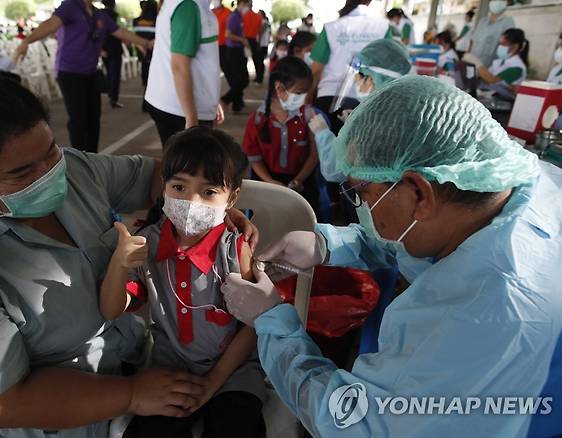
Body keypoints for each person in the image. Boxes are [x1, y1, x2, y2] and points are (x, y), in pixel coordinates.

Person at [0, 65, 258, 438]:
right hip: (57, 415)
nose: (50, 174)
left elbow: (161, 177)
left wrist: (212, 212)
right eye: (22, 173)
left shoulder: (76, 170)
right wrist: (132, 394)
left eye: (51, 151)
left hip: (138, 364)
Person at [221, 75, 562, 437]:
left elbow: (354, 422)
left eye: (362, 193)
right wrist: (329, 243)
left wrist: (273, 323)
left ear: (419, 192)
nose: (362, 206)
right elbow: (418, 239)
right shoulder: (517, 182)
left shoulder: (480, 318)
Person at [103, 127, 267, 437]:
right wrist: (118, 264)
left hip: (233, 373)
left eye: (208, 192)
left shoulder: (234, 250)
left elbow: (252, 326)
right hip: (170, 370)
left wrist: (213, 382)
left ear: (231, 198)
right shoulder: (146, 245)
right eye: (179, 187)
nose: (191, 201)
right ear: (163, 186)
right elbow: (112, 310)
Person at [13, 0, 152, 153]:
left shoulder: (100, 15)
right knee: (78, 119)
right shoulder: (70, 6)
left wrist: (145, 43)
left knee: (93, 118)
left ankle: (92, 156)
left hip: (91, 73)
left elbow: (121, 32)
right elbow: (51, 24)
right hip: (70, 72)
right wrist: (26, 41)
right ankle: (79, 157)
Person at [309, 38, 411, 184]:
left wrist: (323, 134)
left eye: (358, 77)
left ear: (371, 80)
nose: (355, 82)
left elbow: (335, 171)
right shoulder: (403, 107)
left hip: (377, 198)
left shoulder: (371, 121)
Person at [242, 57, 320, 215]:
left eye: (306, 93)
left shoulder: (309, 115)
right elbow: (253, 158)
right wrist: (270, 182)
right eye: (299, 93)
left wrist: (298, 180)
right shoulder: (257, 119)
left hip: (300, 183)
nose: (304, 98)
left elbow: (314, 155)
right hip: (267, 182)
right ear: (279, 88)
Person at [144, 0, 225, 147]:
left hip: (177, 104)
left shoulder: (194, 5)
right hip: (180, 110)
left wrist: (211, 100)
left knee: (183, 165)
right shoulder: (188, 6)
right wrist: (192, 119)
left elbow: (202, 62)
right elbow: (180, 66)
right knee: (191, 167)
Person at [310, 0, 389, 136]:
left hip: (329, 98)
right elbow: (388, 66)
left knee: (326, 148)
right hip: (368, 100)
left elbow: (316, 69)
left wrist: (307, 99)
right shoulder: (384, 28)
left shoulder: (331, 27)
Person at [465, 28, 528, 98]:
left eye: (503, 44)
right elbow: (486, 78)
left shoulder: (517, 67)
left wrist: (477, 63)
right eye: (500, 44)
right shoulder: (499, 61)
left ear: (515, 46)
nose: (500, 47)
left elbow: (491, 79)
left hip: (505, 100)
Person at [221, 0, 252, 113]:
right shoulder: (234, 16)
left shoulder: (239, 17)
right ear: (240, 4)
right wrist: (242, 40)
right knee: (241, 80)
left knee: (241, 80)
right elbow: (228, 35)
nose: (247, 8)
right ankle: (225, 100)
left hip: (238, 50)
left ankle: (236, 104)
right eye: (246, 5)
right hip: (233, 51)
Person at [469, 0, 515, 67]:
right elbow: (473, 41)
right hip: (473, 64)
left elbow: (508, 46)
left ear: (505, 2)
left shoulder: (508, 22)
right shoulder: (482, 21)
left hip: (490, 68)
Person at [101, 0, 124, 109]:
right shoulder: (116, 15)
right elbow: (121, 31)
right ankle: (113, 99)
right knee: (114, 74)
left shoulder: (98, 14)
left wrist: (100, 49)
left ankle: (110, 94)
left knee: (109, 72)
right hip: (115, 48)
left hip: (104, 48)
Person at [133, 0, 158, 89]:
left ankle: (145, 85)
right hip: (154, 49)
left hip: (141, 49)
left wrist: (140, 46)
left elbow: (135, 36)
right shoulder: (157, 20)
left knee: (144, 67)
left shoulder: (136, 21)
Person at [242, 2, 264, 85]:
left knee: (244, 60)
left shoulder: (242, 15)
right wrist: (259, 42)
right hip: (253, 40)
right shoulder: (258, 16)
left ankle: (245, 78)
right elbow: (260, 31)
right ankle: (259, 78)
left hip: (244, 40)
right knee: (257, 60)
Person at [212, 0, 231, 71]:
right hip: (213, 44)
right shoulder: (210, 12)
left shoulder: (228, 12)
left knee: (226, 65)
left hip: (225, 44)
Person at [258, 10, 271, 78]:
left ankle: (260, 76)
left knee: (260, 60)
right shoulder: (267, 23)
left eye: (259, 14)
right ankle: (260, 75)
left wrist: (258, 42)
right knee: (260, 60)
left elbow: (261, 33)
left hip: (262, 44)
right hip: (264, 43)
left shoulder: (264, 22)